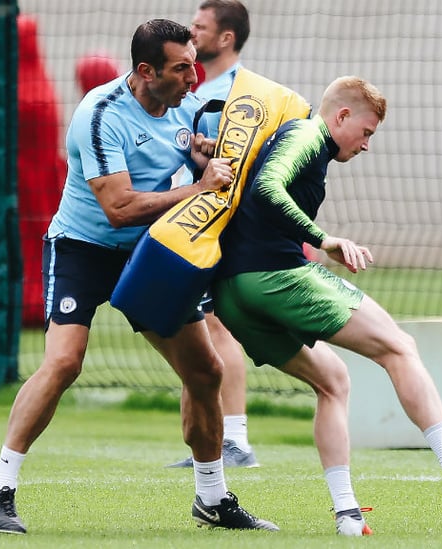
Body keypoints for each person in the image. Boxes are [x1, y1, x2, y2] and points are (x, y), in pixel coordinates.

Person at [0, 19, 277, 534]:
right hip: (83, 249)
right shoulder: (100, 114)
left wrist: (202, 156)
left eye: (193, 63)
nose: (193, 75)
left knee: (205, 372)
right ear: (145, 71)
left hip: (146, 253)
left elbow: (189, 153)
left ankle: (212, 496)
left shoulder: (186, 102)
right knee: (64, 362)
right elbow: (118, 207)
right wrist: (199, 187)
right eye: (181, 67)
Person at [211, 76, 442, 536]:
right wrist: (324, 239)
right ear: (341, 116)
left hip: (233, 295)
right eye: (366, 132)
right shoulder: (306, 134)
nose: (366, 145)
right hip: (273, 277)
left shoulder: (308, 144)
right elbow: (267, 189)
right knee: (399, 346)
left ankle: (348, 515)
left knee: (333, 381)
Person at [165, 0, 260, 470]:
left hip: (220, 220)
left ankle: (235, 438)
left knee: (218, 326)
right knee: (196, 326)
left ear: (225, 38)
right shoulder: (190, 84)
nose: (191, 32)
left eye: (199, 27)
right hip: (187, 218)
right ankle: (212, 439)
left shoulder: (239, 93)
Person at [16, 15, 66, 328]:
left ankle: (31, 302)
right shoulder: (42, 84)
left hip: (24, 181)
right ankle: (41, 300)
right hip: (43, 180)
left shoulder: (19, 87)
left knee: (30, 240)